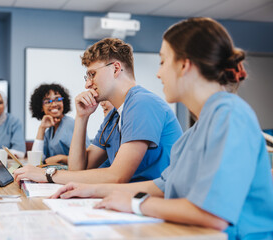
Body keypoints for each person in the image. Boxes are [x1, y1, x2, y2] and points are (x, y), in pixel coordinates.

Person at [51, 18, 273, 239]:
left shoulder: (230, 115)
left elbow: (213, 214)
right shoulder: (196, 132)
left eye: (163, 62)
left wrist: (137, 203)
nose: (159, 73)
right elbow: (161, 186)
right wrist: (86, 189)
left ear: (184, 65)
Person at [14, 38, 182, 184]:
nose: (87, 84)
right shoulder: (114, 117)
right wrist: (82, 117)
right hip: (129, 199)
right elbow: (78, 168)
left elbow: (117, 176)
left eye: (92, 74)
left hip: (156, 205)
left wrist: (47, 174)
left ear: (116, 68)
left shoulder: (142, 103)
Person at [29, 83, 90, 165]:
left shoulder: (70, 124)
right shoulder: (49, 131)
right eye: (47, 101)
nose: (54, 104)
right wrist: (42, 128)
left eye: (58, 99)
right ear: (41, 107)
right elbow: (35, 160)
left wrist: (61, 158)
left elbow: (87, 159)